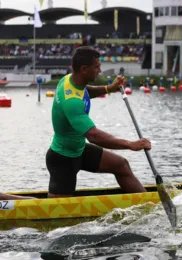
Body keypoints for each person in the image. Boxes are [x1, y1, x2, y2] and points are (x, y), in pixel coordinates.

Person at [46, 46, 151, 198]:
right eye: (97, 67)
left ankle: (150, 204)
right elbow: (94, 136)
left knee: (121, 165)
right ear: (84, 69)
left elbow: (85, 90)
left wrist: (109, 88)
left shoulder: (69, 79)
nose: (100, 71)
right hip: (63, 160)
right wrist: (130, 144)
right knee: (55, 212)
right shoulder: (72, 102)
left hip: (79, 150)